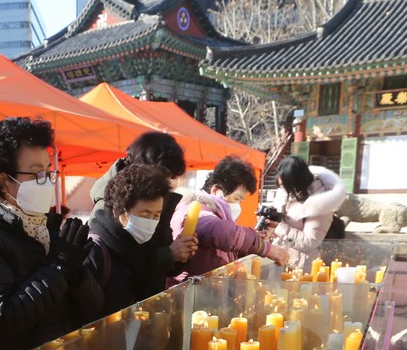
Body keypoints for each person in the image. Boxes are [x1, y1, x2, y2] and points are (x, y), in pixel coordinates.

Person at [0, 117, 103, 350]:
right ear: (3, 179)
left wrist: (76, 273)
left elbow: (93, 308)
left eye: (48, 172)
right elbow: (0, 319)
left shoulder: (44, 227)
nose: (47, 181)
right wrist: (58, 267)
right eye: (36, 173)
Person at [86, 164, 195, 314]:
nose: (151, 221)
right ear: (121, 212)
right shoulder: (95, 250)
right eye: (145, 214)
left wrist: (181, 254)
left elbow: (156, 271)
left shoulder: (144, 241)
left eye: (156, 215)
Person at [90, 131, 197, 278]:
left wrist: (181, 252)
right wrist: (169, 254)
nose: (168, 184)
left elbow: (163, 265)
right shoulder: (109, 206)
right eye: (165, 177)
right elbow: (126, 266)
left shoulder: (157, 200)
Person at [170, 155, 289, 281]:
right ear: (215, 190)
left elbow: (222, 250)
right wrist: (261, 246)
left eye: (240, 201)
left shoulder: (219, 215)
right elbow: (223, 233)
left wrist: (248, 247)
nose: (237, 205)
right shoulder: (194, 209)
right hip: (186, 294)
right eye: (236, 198)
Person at [268, 156, 347, 272]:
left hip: (302, 266)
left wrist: (278, 227)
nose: (284, 189)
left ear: (297, 182)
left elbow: (310, 241)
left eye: (287, 186)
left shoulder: (320, 202)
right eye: (281, 186)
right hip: (283, 259)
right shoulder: (287, 193)